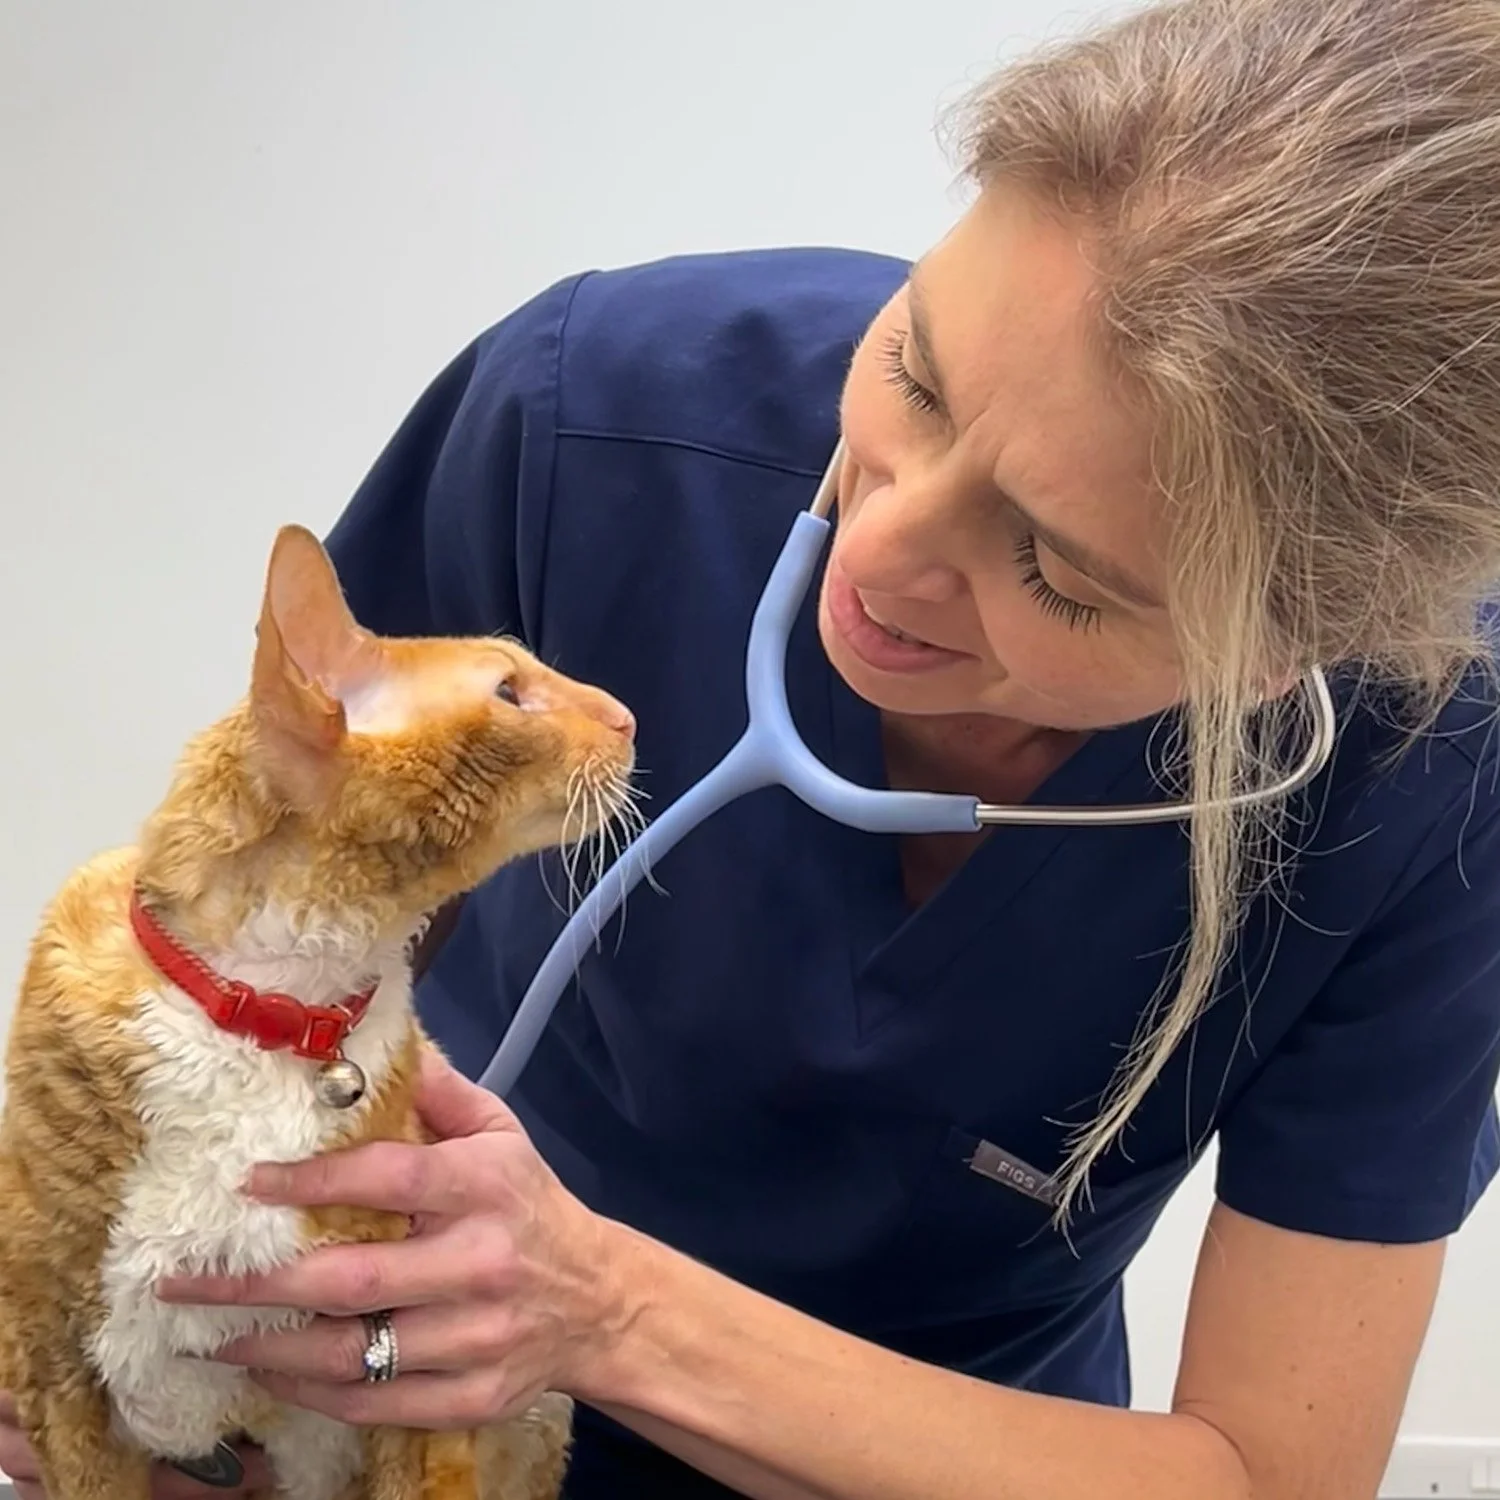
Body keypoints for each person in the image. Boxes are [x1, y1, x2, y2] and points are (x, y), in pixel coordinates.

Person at [9, 0, 1500, 1495]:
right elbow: (264, 953)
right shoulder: (600, 413)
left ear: (1281, 654)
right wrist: (177, 1369)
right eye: (917, 374)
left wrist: (607, 1311)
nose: (883, 545)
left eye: (1056, 568)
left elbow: (1267, 1470)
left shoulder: (1431, 773)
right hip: (423, 1383)